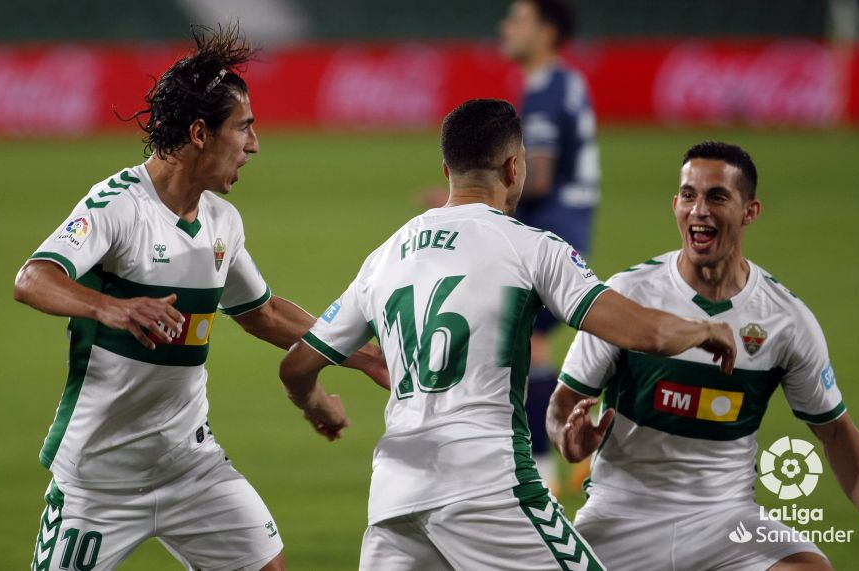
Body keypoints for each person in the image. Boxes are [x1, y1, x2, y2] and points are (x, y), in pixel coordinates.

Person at [278, 99, 736, 571]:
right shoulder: (530, 247)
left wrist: (317, 404)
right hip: (487, 488)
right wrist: (702, 328)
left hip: (394, 500)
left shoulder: (384, 257)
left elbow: (296, 366)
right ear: (514, 167)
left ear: (446, 168)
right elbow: (644, 331)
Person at [14, 26, 386, 571]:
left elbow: (263, 313)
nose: (255, 144)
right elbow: (32, 278)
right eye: (244, 128)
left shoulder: (221, 220)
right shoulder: (118, 206)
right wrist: (114, 308)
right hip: (98, 481)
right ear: (199, 133)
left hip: (189, 466)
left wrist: (358, 356)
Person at [548, 141, 859, 570]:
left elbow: (835, 433)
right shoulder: (627, 296)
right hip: (621, 512)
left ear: (750, 211)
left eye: (717, 196)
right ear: (675, 204)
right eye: (688, 195)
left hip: (725, 518)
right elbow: (563, 404)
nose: (699, 209)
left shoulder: (786, 320)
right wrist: (566, 439)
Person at [500, 0, 601, 489]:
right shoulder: (565, 83)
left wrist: (473, 201)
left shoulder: (545, 90)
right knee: (531, 347)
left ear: (547, 31)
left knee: (525, 347)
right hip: (569, 229)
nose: (506, 26)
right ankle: (571, 456)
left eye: (518, 18)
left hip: (549, 232)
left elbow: (535, 179)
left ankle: (542, 471)